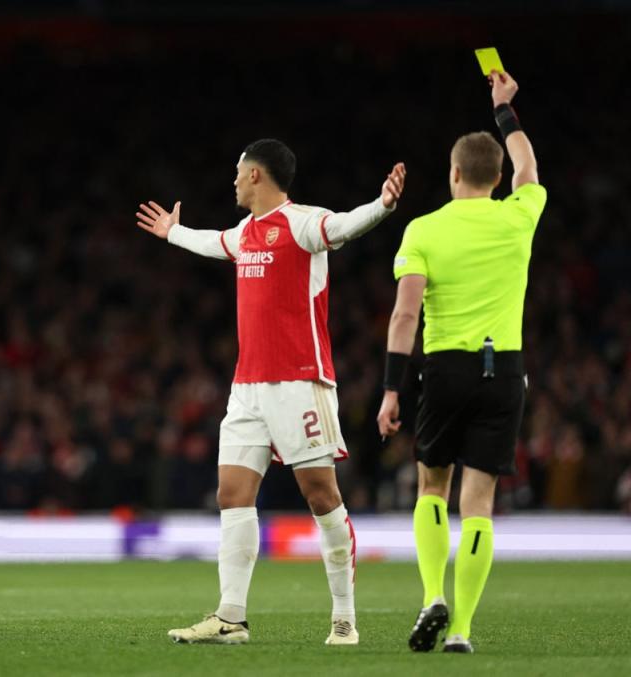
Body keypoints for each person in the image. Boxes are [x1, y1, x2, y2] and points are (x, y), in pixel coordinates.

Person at [137, 139, 405, 645]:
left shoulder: (302, 223)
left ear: (257, 174)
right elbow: (214, 241)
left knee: (321, 496)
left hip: (301, 382)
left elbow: (345, 225)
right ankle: (230, 617)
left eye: (238, 171)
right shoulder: (247, 232)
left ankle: (344, 617)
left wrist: (383, 206)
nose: (233, 180)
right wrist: (173, 233)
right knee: (232, 495)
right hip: (248, 388)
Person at [377, 71, 545, 654]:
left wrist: (392, 390)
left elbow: (404, 316)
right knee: (479, 505)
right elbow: (530, 169)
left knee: (431, 487)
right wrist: (505, 109)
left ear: (453, 175)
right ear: (498, 180)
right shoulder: (519, 215)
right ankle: (464, 631)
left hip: (443, 369)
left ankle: (431, 596)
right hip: (505, 373)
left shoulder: (423, 229)